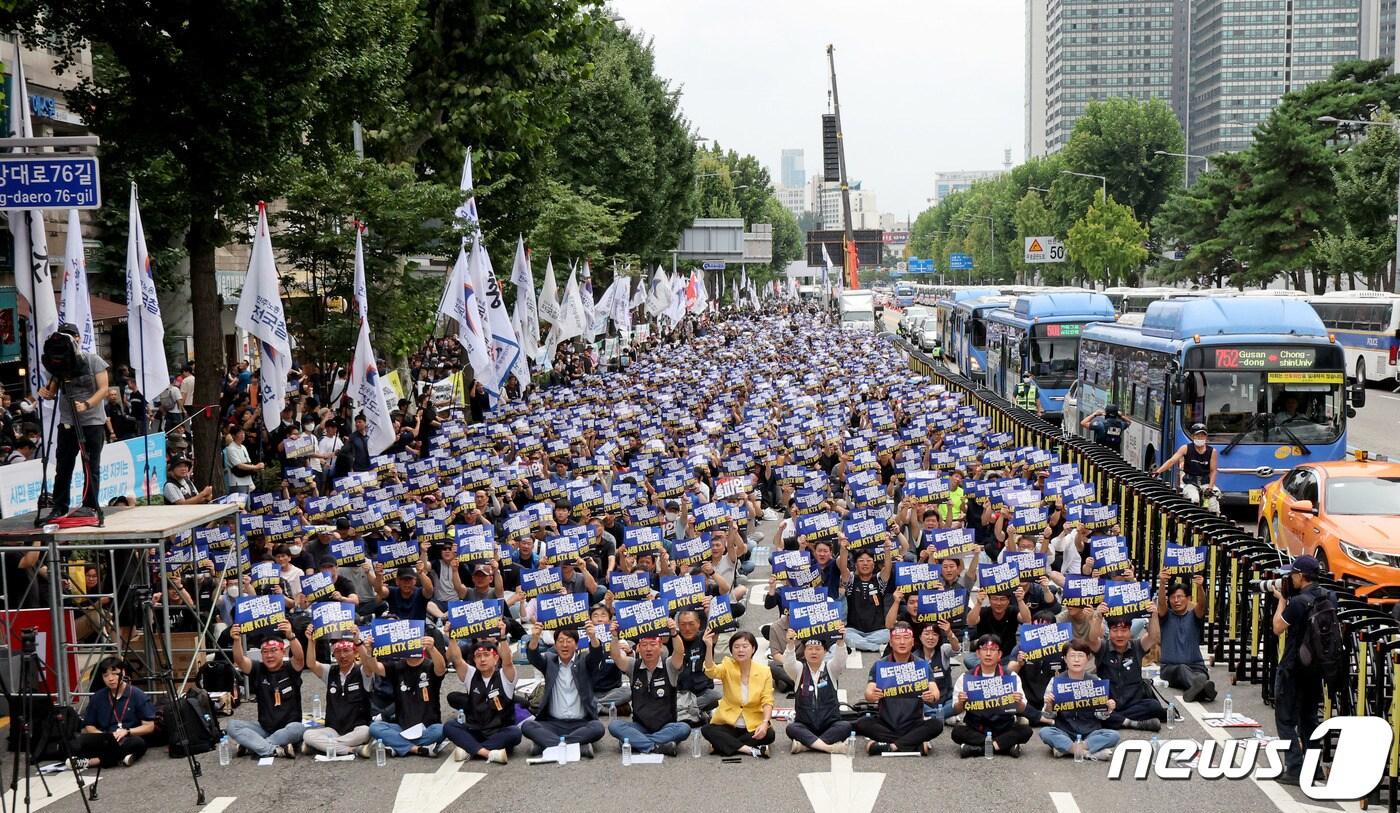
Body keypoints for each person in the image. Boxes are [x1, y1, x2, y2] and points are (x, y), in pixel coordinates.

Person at [1270, 554, 1331, 786]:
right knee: (1309, 719)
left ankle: (1294, 768)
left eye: (1293, 574)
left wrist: (1282, 600)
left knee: (1285, 719)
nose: (1291, 578)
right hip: (1316, 669)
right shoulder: (1329, 597)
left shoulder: (1297, 602)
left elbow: (1277, 627)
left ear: (1300, 575)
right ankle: (1313, 769)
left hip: (1293, 667)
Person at [38, 323, 110, 519]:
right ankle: (59, 506)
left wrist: (87, 404)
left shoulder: (92, 360)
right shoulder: (59, 363)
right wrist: (45, 392)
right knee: (63, 465)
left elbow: (104, 389)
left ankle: (90, 505)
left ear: (78, 338)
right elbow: (51, 392)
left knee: (91, 465)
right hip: (68, 421)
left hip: (92, 421)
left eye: (71, 336)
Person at [856, 621, 943, 756]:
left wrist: (932, 696)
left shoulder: (921, 665)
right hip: (887, 724)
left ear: (913, 642)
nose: (902, 642)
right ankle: (913, 744)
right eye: (897, 638)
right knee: (863, 723)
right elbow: (869, 691)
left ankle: (892, 746)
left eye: (906, 638)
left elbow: (935, 691)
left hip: (913, 724)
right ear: (891, 642)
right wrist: (871, 696)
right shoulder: (880, 665)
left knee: (936, 724)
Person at [605, 621, 691, 756]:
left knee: (684, 728)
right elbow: (616, 656)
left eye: (652, 645)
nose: (648, 649)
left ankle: (637, 743)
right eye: (644, 645)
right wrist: (615, 637)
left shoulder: (669, 665)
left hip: (666, 726)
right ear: (638, 648)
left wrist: (674, 633)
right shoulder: (633, 665)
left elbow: (679, 652)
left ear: (660, 646)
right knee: (614, 726)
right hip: (640, 727)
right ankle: (656, 746)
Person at [521, 625, 607, 757]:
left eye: (569, 641)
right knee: (528, 726)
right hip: (553, 723)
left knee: (598, 728)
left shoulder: (584, 661)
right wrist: (535, 638)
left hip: (581, 723)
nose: (564, 645)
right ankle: (577, 746)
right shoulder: (549, 661)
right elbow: (533, 657)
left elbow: (596, 655)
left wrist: (593, 637)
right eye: (560, 641)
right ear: (555, 645)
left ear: (576, 645)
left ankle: (548, 745)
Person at [359, 633, 449, 758]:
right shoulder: (397, 667)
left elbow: (441, 668)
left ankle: (397, 745)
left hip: (428, 727)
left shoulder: (429, 665)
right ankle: (416, 749)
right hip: (402, 727)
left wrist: (432, 648)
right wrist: (370, 651)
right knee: (375, 727)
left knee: (442, 730)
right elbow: (375, 668)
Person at [228, 620, 306, 759]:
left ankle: (254, 746)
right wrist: (236, 640)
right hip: (265, 728)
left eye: (274, 650)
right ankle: (274, 749)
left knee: (297, 729)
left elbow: (300, 658)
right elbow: (240, 661)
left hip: (289, 728)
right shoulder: (258, 669)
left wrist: (291, 636)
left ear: (283, 652)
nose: (269, 655)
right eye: (265, 652)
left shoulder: (290, 668)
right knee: (233, 726)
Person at [443, 631, 520, 764]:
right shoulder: (471, 675)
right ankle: (487, 753)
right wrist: (452, 637)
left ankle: (469, 749)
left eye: (486, 655)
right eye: (478, 656)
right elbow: (456, 659)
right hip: (476, 729)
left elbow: (508, 661)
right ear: (474, 660)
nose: (482, 659)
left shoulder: (504, 676)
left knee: (515, 733)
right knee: (449, 726)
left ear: (496, 658)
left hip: (499, 731)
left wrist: (502, 638)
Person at [950, 634, 1032, 757]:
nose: (988, 654)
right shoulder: (966, 678)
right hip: (977, 727)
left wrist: (1018, 701)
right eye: (984, 649)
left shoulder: (1011, 677)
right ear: (978, 653)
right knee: (957, 732)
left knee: (1026, 730)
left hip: (1003, 727)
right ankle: (1005, 746)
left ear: (999, 655)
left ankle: (978, 749)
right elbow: (956, 710)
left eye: (993, 650)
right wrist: (961, 702)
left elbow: (1022, 708)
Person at [1039, 638, 1120, 759]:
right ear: (1065, 659)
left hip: (1090, 733)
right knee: (1045, 732)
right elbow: (1048, 716)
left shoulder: (1095, 681)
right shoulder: (1056, 682)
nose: (1076, 660)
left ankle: (1067, 749)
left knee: (1114, 735)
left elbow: (1101, 716)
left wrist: (1108, 708)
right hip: (1065, 731)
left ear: (1087, 658)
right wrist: (1049, 705)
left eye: (1081, 656)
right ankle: (1087, 753)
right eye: (1072, 656)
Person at [700, 629, 775, 758]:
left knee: (769, 734)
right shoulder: (727, 665)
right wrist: (708, 646)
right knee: (707, 730)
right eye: (736, 647)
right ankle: (750, 750)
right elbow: (711, 672)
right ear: (731, 650)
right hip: (729, 724)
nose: (740, 650)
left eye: (745, 646)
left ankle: (721, 745)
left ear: (753, 649)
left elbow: (767, 700)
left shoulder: (764, 671)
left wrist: (764, 722)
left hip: (752, 725)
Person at [71, 657, 157, 768]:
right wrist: (105, 736)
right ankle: (124, 757)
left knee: (138, 743)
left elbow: (149, 726)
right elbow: (89, 725)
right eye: (106, 676)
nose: (111, 679)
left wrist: (127, 732)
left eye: (115, 674)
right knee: (77, 742)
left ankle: (93, 761)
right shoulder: (98, 697)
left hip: (128, 737)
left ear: (123, 673)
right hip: (106, 738)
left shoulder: (137, 694)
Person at [301, 637, 372, 757]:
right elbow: (311, 664)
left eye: (346, 650)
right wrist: (311, 641)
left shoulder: (362, 671)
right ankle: (352, 750)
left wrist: (359, 644)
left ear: (354, 652)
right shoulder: (330, 671)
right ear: (333, 654)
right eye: (338, 652)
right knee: (308, 735)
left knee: (366, 732)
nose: (342, 655)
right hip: (333, 730)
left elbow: (369, 664)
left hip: (357, 728)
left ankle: (321, 747)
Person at [782, 631, 851, 754]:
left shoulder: (831, 668)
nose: (814, 652)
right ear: (804, 652)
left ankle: (807, 745)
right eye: (810, 649)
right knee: (792, 728)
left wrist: (840, 640)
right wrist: (790, 644)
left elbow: (840, 661)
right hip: (805, 724)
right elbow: (788, 664)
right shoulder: (799, 670)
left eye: (818, 649)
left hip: (830, 724)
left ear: (825, 652)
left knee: (845, 727)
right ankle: (828, 747)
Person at [1097, 612, 1166, 731]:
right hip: (1109, 704)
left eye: (1124, 630)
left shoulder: (1137, 646)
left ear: (1130, 631)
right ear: (1110, 632)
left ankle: (1117, 721)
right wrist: (1097, 615)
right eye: (1115, 630)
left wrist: (1153, 614)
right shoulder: (1102, 647)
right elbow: (1091, 638)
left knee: (1154, 706)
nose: (1120, 635)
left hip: (1134, 704)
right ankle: (1132, 723)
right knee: (1096, 711)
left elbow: (1154, 637)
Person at [1156, 573, 1216, 703]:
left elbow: (1202, 605)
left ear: (1188, 598)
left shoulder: (1194, 616)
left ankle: (1200, 688)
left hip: (1196, 666)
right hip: (1170, 669)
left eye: (1180, 597)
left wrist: (1200, 587)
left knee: (1200, 675)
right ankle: (1202, 687)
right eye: (1172, 597)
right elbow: (1161, 604)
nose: (1176, 601)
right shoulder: (1165, 617)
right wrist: (1162, 583)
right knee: (1182, 669)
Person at [1154, 424, 1218, 511]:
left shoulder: (1212, 451)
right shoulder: (1186, 448)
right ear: (1192, 436)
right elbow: (1172, 461)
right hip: (1190, 483)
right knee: (1194, 500)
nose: (1200, 438)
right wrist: (1158, 472)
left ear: (1206, 437)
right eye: (1197, 435)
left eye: (1203, 436)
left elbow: (1213, 471)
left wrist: (1210, 488)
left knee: (1213, 506)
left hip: (1205, 483)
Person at [223, 426, 263, 493]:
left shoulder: (243, 447)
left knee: (248, 503)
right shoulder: (230, 448)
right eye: (240, 433)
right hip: (237, 482)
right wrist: (255, 466)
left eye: (243, 433)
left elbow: (248, 462)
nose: (242, 435)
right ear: (233, 435)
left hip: (247, 480)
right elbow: (239, 465)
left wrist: (257, 467)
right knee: (240, 503)